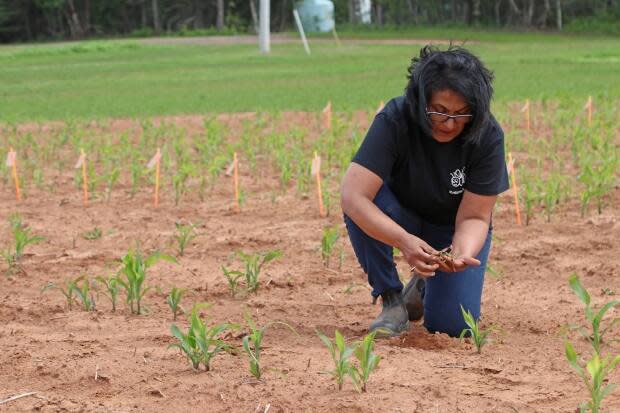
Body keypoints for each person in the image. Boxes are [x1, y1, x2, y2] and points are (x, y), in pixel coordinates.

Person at [340, 45, 509, 338]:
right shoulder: (395, 119)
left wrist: (461, 253)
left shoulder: (487, 136)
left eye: (461, 113)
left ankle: (423, 281)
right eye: (439, 111)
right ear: (420, 101)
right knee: (365, 202)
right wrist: (403, 241)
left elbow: (475, 218)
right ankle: (392, 298)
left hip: (450, 228)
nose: (450, 123)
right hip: (398, 217)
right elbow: (353, 196)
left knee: (454, 326)